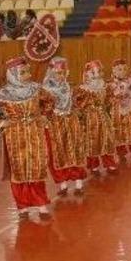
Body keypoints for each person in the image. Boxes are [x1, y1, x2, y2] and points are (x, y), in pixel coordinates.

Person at [0, 56, 55, 220]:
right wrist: (0, 123)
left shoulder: (36, 88)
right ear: (12, 74)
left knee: (36, 168)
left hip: (35, 132)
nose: (27, 75)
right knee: (19, 171)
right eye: (23, 72)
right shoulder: (4, 93)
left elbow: (49, 101)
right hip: (15, 136)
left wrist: (44, 116)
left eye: (28, 71)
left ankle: (41, 206)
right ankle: (22, 208)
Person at [41, 57, 88, 197]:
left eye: (62, 73)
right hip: (55, 124)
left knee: (74, 149)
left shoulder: (70, 87)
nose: (59, 76)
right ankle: (63, 184)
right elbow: (42, 108)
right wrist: (45, 115)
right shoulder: (45, 90)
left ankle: (79, 183)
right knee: (58, 153)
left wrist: (77, 110)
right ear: (51, 73)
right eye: (56, 73)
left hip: (71, 122)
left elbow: (79, 102)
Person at [73, 60, 118, 175]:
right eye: (92, 71)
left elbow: (109, 99)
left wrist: (113, 98)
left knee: (106, 138)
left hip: (103, 116)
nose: (95, 73)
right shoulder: (82, 88)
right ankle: (94, 165)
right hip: (90, 118)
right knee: (92, 141)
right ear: (87, 73)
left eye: (98, 71)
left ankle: (109, 163)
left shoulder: (104, 85)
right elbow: (77, 104)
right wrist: (82, 111)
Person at [108, 59, 131, 159]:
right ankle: (120, 151)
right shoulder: (110, 84)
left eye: (124, 69)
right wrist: (116, 96)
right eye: (119, 69)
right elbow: (109, 97)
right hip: (117, 110)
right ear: (114, 71)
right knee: (118, 129)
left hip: (130, 108)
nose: (122, 71)